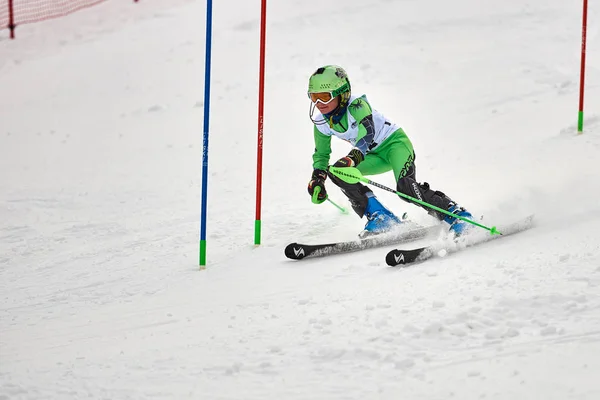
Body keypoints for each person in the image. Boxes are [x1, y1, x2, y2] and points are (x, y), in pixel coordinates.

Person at [306, 65, 473, 238]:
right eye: (314, 97)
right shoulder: (321, 123)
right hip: (373, 156)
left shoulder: (357, 105)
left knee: (406, 188)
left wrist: (352, 158)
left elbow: (367, 133)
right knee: (338, 172)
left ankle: (458, 216)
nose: (319, 104)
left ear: (343, 94)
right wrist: (317, 179)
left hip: (395, 145)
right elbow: (321, 155)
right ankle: (381, 217)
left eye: (325, 97)